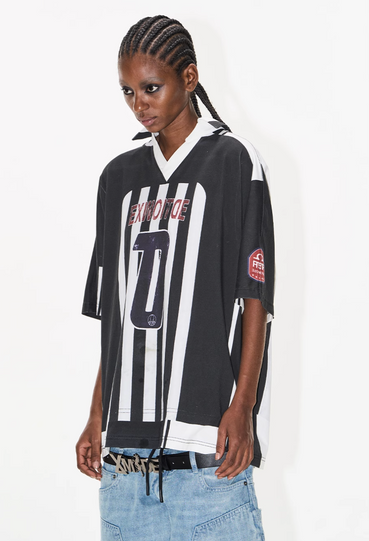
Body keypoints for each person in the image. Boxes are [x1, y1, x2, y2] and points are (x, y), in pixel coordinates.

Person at [76, 15, 274, 541]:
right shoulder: (117, 178)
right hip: (125, 468)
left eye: (151, 88)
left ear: (189, 78)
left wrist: (243, 407)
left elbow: (255, 299)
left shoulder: (233, 161)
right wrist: (96, 415)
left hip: (206, 459)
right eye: (127, 91)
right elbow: (117, 318)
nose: (139, 104)